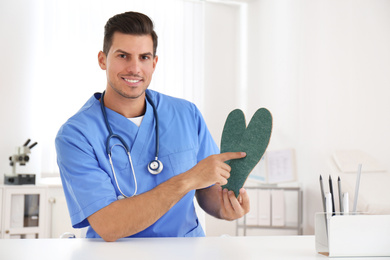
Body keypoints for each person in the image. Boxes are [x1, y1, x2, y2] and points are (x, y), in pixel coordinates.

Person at [55, 11, 250, 242]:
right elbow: (108, 224)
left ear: (154, 63)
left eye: (144, 57)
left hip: (186, 250)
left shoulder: (186, 114)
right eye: (123, 56)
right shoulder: (76, 135)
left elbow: (207, 188)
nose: (134, 68)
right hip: (117, 255)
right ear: (102, 59)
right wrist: (187, 179)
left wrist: (224, 206)